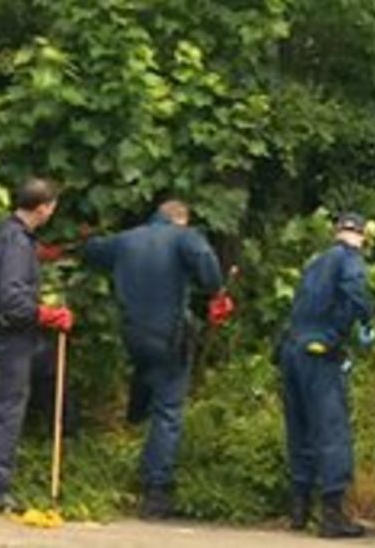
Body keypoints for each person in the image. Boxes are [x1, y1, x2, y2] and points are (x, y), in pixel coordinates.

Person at [82, 199, 230, 519]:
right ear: (180, 219)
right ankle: (156, 491)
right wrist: (216, 289)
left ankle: (135, 417)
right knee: (169, 410)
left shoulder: (127, 239)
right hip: (169, 335)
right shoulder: (184, 236)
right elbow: (206, 262)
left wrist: (85, 236)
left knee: (148, 374)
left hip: (133, 334)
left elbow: (92, 251)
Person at [0, 177, 74, 512]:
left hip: (5, 332)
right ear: (44, 208)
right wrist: (47, 314)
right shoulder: (17, 242)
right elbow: (13, 299)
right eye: (53, 207)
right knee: (9, 408)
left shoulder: (5, 232)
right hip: (11, 335)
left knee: (33, 387)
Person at [279, 212, 375, 538]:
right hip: (320, 354)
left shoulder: (316, 261)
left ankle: (299, 509)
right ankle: (333, 515)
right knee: (332, 431)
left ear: (336, 232)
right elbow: (355, 290)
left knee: (301, 429)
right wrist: (364, 320)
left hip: (292, 351)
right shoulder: (350, 259)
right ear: (361, 236)